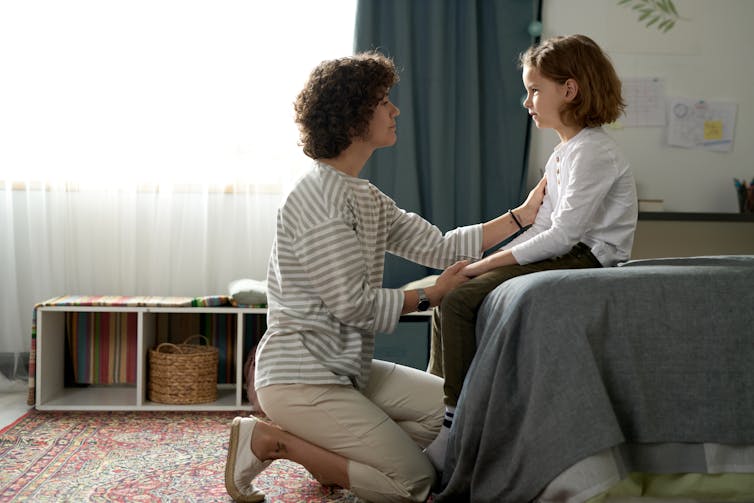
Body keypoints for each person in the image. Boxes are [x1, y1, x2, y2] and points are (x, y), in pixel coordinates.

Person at [224, 51, 547, 503]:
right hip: (301, 377)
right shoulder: (318, 200)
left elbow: (439, 245)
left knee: (455, 410)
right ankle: (274, 441)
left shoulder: (364, 196)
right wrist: (432, 295)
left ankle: (334, 455)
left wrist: (522, 217)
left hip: (344, 370)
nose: (394, 110)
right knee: (414, 483)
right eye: (383, 101)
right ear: (354, 115)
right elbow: (352, 305)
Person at [424, 33, 639, 470]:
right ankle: (433, 408)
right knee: (451, 297)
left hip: (589, 256)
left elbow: (562, 236)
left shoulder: (593, 151)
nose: (528, 102)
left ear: (570, 89)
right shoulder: (564, 153)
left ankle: (453, 425)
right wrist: (481, 267)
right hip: (568, 249)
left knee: (461, 299)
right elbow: (540, 226)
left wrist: (482, 266)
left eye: (534, 90)